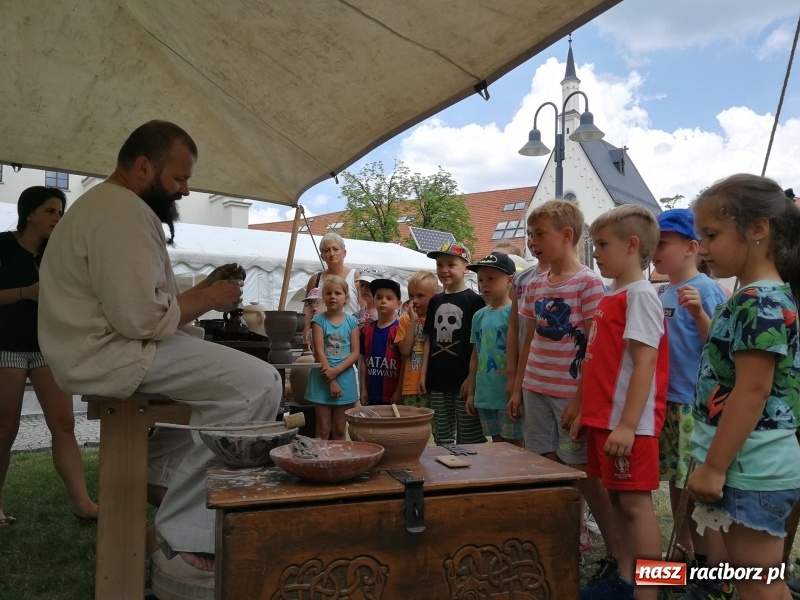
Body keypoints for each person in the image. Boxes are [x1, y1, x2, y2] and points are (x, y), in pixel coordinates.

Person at [37, 121, 282, 572]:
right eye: (179, 178)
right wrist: (210, 297)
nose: (185, 190)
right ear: (144, 167)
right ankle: (188, 528)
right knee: (258, 384)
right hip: (111, 353)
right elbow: (141, 318)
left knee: (218, 395)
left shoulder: (110, 207)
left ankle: (156, 471)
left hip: (105, 348)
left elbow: (142, 299)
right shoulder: (120, 213)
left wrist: (201, 288)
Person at [686, 174, 800, 600]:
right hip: (746, 465)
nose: (703, 248)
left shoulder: (760, 301)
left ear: (758, 229)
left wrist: (714, 467)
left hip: (751, 469)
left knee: (758, 585)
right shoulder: (752, 296)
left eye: (712, 235)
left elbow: (753, 391)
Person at [507, 200, 617, 573]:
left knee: (583, 473)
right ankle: (559, 538)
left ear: (567, 235)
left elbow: (595, 346)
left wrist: (581, 400)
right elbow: (529, 338)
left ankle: (615, 550)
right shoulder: (534, 282)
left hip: (569, 395)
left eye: (539, 234)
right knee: (545, 466)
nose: (531, 242)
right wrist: (518, 387)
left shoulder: (588, 282)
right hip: (536, 389)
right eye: (529, 234)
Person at [571, 204, 668, 600]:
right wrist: (586, 412)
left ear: (631, 245)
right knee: (616, 499)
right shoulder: (613, 295)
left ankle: (651, 592)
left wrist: (628, 425)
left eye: (602, 245)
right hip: (605, 421)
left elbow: (646, 363)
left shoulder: (641, 296)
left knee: (636, 507)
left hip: (630, 425)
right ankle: (626, 581)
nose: (595, 253)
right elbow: (601, 362)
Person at [0, 187, 98, 527]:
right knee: (5, 427)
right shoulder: (3, 245)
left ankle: (83, 504)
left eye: (60, 212)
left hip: (49, 348)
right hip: (6, 347)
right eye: (50, 211)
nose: (58, 218)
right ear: (29, 214)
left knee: (64, 424)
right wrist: (25, 293)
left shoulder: (57, 252)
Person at [651, 208, 732, 600]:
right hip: (667, 401)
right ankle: (683, 552)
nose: (654, 251)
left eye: (662, 243)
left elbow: (722, 348)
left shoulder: (708, 289)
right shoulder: (662, 292)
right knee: (675, 480)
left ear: (691, 248)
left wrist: (699, 312)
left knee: (698, 488)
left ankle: (716, 571)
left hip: (695, 406)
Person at [419, 242, 485, 445]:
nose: (444, 270)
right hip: (438, 378)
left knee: (469, 436)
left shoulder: (475, 301)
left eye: (451, 264)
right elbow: (429, 339)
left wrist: (471, 378)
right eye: (440, 265)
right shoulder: (435, 301)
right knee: (442, 435)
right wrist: (423, 374)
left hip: (463, 380)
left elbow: (478, 345)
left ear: (466, 267)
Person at [464, 252, 522, 446]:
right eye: (480, 279)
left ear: (509, 281)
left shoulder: (515, 313)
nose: (484, 284)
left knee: (515, 446)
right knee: (496, 445)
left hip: (507, 394)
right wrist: (471, 393)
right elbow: (475, 355)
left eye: (491, 278)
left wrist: (517, 389)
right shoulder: (478, 316)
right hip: (485, 394)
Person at [305, 276, 360, 438]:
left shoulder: (352, 322)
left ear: (346, 298)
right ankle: (320, 455)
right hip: (322, 376)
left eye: (338, 293)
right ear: (323, 297)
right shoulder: (318, 321)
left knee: (339, 429)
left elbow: (355, 353)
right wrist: (331, 380)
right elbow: (319, 352)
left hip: (345, 378)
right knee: (323, 427)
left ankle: (339, 456)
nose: (333, 297)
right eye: (328, 293)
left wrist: (335, 372)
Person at [302, 233, 360, 342]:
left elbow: (364, 309)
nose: (332, 253)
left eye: (335, 249)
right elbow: (307, 311)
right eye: (327, 250)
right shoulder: (315, 279)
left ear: (344, 253)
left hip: (349, 338)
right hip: (321, 338)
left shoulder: (355, 276)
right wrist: (306, 338)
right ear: (322, 256)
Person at [395, 271, 438, 409]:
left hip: (434, 383)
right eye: (411, 296)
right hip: (411, 386)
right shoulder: (405, 320)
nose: (414, 301)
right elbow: (404, 351)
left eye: (420, 296)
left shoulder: (438, 320)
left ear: (434, 297)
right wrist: (413, 321)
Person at [359, 279, 402, 406]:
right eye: (379, 297)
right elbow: (364, 361)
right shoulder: (367, 330)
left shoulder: (400, 330)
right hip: (371, 394)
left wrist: (399, 391)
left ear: (398, 304)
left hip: (392, 395)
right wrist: (362, 388)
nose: (383, 301)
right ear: (373, 301)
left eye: (389, 298)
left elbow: (404, 362)